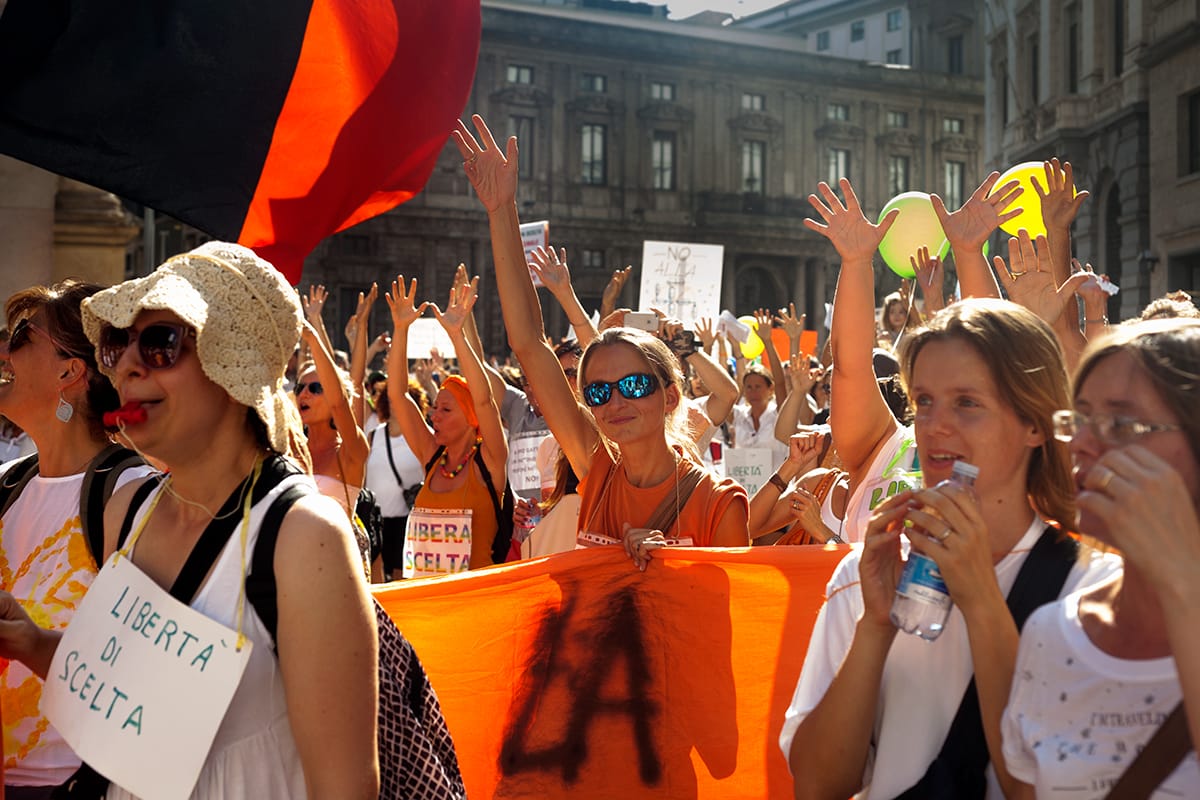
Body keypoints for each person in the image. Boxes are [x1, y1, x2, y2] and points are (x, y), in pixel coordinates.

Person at [0, 243, 379, 798]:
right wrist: (30, 641)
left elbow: (343, 789)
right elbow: (129, 692)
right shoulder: (135, 512)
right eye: (117, 343)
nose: (126, 365)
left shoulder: (304, 535)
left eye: (158, 343)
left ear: (234, 363)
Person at [779, 179, 1117, 800]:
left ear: (1035, 424)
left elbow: (1046, 782)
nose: (936, 426)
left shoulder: (1091, 586)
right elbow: (819, 785)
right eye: (925, 401)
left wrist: (983, 600)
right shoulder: (865, 574)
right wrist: (876, 626)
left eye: (967, 404)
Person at [452, 114, 749, 566]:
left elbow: (741, 623)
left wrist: (670, 572)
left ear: (671, 395)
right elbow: (529, 343)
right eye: (597, 392)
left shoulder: (719, 504)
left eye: (632, 385)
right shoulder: (596, 470)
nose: (614, 402)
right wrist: (501, 210)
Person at [1001, 319, 1200, 797]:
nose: (1082, 443)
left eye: (1123, 424)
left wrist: (1182, 582)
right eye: (1081, 417)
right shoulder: (1051, 633)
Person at [0, 281, 152, 797]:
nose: (3, 348)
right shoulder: (7, 485)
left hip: (69, 785)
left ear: (70, 372)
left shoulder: (131, 496)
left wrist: (34, 646)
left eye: (21, 336)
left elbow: (147, 668)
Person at [385, 274, 509, 577]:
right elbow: (398, 395)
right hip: (426, 605)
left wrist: (457, 336)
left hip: (473, 605)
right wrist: (401, 330)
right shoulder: (432, 455)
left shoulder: (490, 460)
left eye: (445, 409)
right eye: (434, 408)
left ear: (471, 420)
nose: (434, 416)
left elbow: (485, 401)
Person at [363, 374, 427, 581]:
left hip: (406, 522)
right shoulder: (373, 436)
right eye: (390, 398)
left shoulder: (424, 437)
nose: (394, 404)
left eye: (401, 398)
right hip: (376, 520)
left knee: (401, 578)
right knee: (377, 577)